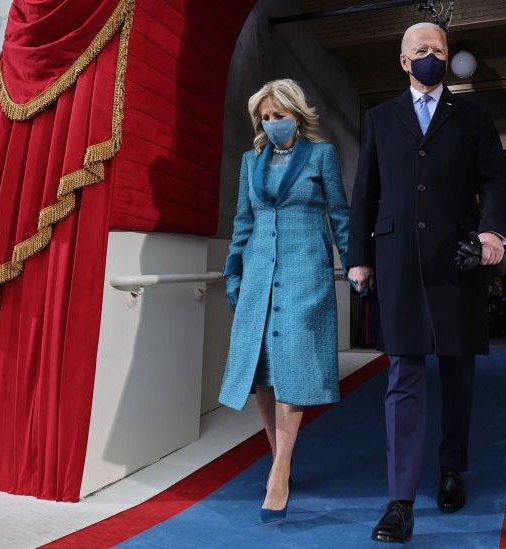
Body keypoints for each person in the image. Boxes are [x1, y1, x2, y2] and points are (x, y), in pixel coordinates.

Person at [346, 22, 506, 544]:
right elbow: (365, 193)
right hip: (397, 261)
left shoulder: (474, 116)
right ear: (402, 61)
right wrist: (359, 257)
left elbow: (496, 179)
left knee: (458, 371)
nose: (430, 57)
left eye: (438, 49)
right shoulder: (380, 118)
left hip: (457, 258)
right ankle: (400, 500)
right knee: (404, 375)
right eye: (420, 51)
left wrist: (493, 231)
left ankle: (451, 469)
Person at [219, 79, 349, 523]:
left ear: (298, 113)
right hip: (258, 271)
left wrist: (353, 264)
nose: (273, 123)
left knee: (292, 362)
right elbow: (243, 219)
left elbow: (340, 214)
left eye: (280, 115)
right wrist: (233, 270)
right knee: (262, 370)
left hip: (304, 270)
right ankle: (282, 460)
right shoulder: (249, 161)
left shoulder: (321, 155)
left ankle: (279, 473)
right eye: (266, 118)